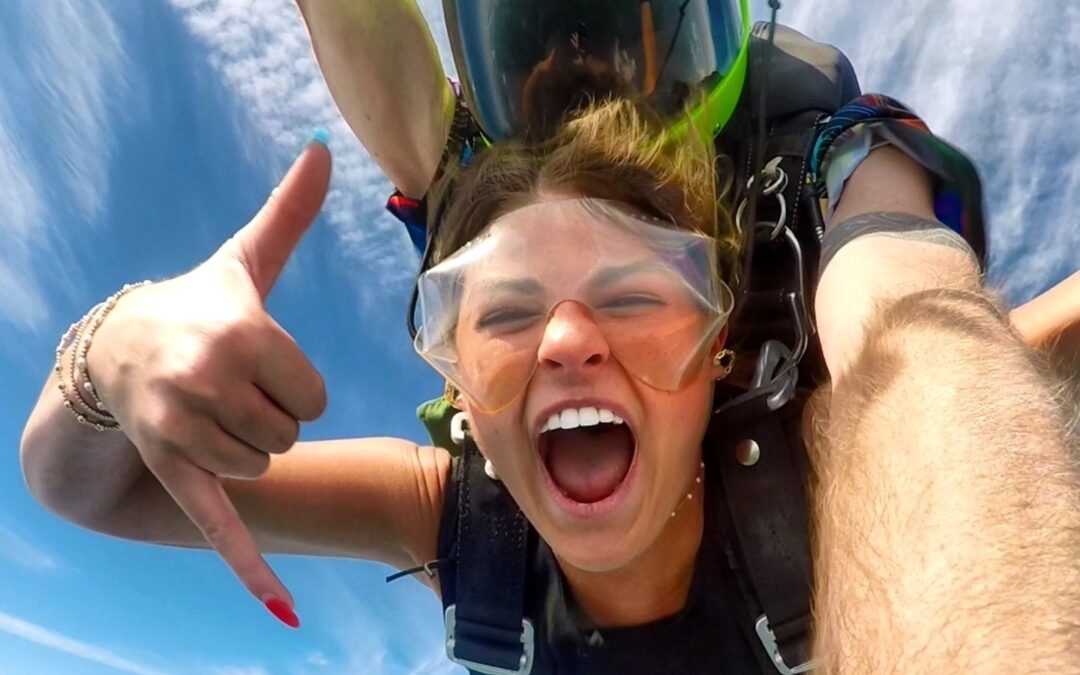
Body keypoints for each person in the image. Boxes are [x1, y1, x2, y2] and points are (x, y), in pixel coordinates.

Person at [20, 99, 1080, 673]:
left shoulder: (856, 455)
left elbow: (960, 366)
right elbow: (89, 488)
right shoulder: (455, 516)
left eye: (630, 295)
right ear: (463, 395)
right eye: (507, 313)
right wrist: (111, 351)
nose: (569, 340)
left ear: (719, 352)